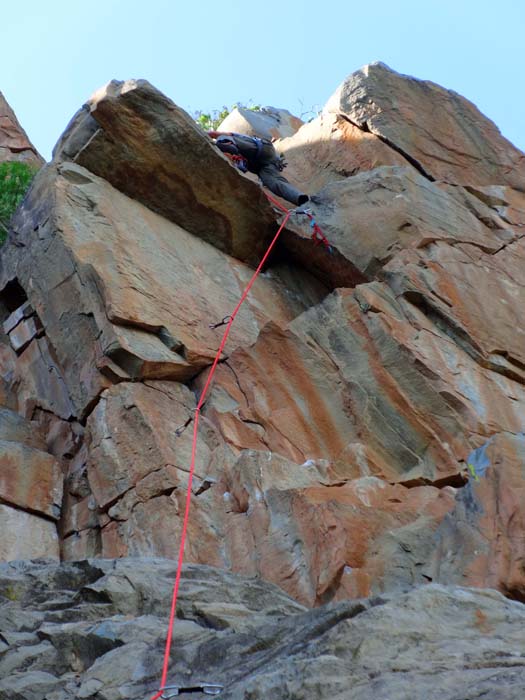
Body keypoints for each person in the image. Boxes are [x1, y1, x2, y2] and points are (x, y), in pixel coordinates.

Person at [208, 130, 309, 206]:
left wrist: (203, 134)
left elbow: (214, 133)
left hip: (262, 148)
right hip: (264, 165)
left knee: (221, 140)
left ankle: (232, 149)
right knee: (272, 182)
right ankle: (300, 199)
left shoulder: (234, 137)